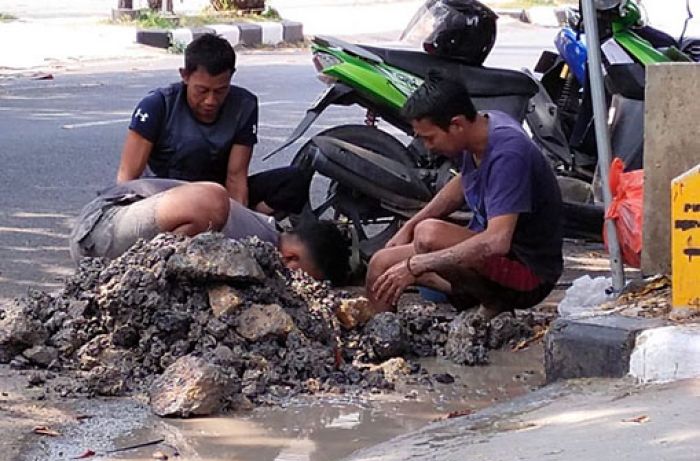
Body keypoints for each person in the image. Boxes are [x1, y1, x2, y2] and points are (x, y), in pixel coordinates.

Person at [366, 71, 563, 319]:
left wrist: (416, 265)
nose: (427, 147)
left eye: (429, 138)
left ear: (457, 124)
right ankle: (382, 345)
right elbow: (463, 182)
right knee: (381, 264)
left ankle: (492, 303)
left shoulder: (508, 152)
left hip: (528, 275)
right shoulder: (481, 128)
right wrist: (409, 226)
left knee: (430, 235)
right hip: (491, 262)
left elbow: (497, 241)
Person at [116, 33, 309, 218]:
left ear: (231, 77)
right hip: (166, 199)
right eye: (202, 90)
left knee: (293, 180)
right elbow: (127, 177)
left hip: (218, 195)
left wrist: (242, 223)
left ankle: (249, 221)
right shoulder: (157, 105)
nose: (210, 100)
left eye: (220, 91)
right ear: (185, 76)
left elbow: (236, 177)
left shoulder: (244, 106)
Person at [69, 179, 350, 285]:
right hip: (100, 227)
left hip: (107, 236)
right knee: (213, 198)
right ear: (291, 258)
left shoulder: (263, 232)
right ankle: (145, 275)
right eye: (302, 280)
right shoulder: (258, 242)